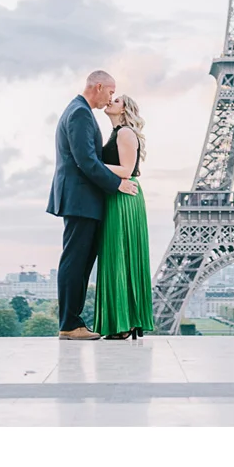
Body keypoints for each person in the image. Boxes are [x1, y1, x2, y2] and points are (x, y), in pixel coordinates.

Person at [47, 70, 139, 340]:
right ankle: (69, 324)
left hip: (81, 198)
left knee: (80, 262)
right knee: (75, 262)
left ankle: (72, 322)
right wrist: (116, 183)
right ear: (98, 87)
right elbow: (85, 161)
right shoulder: (80, 113)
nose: (110, 98)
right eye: (110, 92)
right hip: (80, 199)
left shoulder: (78, 111)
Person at [93, 93, 155, 340]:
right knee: (119, 257)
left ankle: (124, 322)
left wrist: (90, 163)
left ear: (126, 109)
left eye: (116, 100)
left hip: (124, 197)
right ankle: (125, 320)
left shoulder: (125, 133)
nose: (110, 101)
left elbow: (127, 170)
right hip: (118, 196)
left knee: (119, 256)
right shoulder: (116, 133)